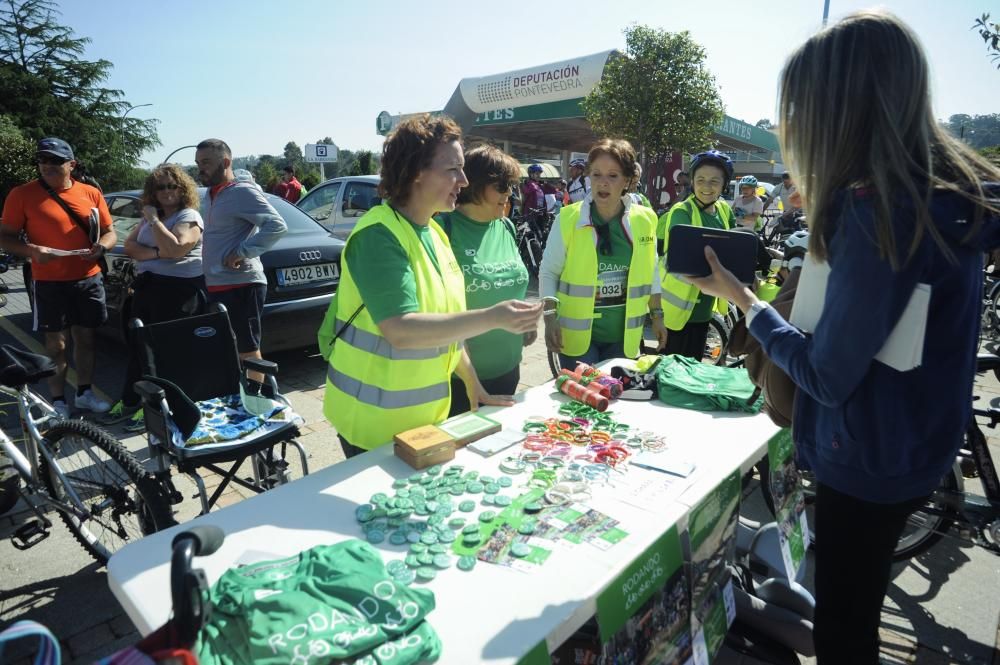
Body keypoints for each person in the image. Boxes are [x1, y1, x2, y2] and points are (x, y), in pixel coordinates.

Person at [683, 11, 1000, 664]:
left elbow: (826, 373)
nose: (791, 125)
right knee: (853, 609)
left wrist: (746, 301)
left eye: (799, 106)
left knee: (845, 631)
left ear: (840, 108)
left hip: (864, 459)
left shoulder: (879, 210)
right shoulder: (948, 199)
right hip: (912, 448)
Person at [322, 115, 542, 458]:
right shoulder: (378, 236)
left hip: (425, 421)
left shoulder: (434, 232)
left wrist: (473, 384)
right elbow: (401, 330)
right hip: (373, 425)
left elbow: (446, 324)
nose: (464, 180)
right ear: (415, 172)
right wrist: (494, 317)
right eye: (453, 169)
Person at [0, 137, 116, 417]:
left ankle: (85, 393)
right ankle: (58, 402)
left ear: (71, 164)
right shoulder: (22, 194)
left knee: (86, 339)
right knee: (56, 345)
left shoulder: (90, 193)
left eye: (55, 161)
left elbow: (109, 232)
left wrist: (102, 247)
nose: (47, 166)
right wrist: (32, 251)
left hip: (88, 277)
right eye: (42, 160)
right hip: (49, 281)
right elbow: (4, 238)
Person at [539, 139, 667, 370]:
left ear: (627, 180)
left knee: (617, 401)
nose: (603, 183)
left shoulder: (646, 219)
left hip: (624, 337)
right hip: (577, 338)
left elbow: (652, 270)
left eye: (613, 176)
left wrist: (657, 315)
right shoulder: (568, 218)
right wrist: (549, 318)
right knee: (586, 399)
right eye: (596, 175)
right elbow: (549, 271)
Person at [101, 164, 206, 428]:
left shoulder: (189, 216)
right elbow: (131, 248)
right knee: (140, 348)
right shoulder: (151, 216)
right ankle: (132, 400)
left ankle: (161, 409)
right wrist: (158, 253)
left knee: (167, 352)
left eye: (172, 185)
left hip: (179, 291)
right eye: (161, 187)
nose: (167, 191)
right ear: (153, 191)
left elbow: (176, 248)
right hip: (149, 287)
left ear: (182, 188)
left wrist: (155, 223)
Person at [435, 145, 531, 415]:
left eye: (511, 185)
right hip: (460, 380)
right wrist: (468, 378)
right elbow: (437, 310)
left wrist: (526, 323)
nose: (509, 193)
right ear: (475, 184)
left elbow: (513, 284)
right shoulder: (443, 229)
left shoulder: (506, 227)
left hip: (509, 368)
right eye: (502, 185)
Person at [195, 139, 287, 378]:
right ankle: (244, 401)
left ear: (225, 162)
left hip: (242, 284)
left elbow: (277, 226)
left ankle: (261, 403)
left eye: (206, 162)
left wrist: (242, 251)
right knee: (231, 350)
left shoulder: (241, 191)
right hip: (217, 284)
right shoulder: (210, 195)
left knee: (248, 351)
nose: (200, 168)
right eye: (197, 163)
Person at [657, 150, 735, 359]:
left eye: (714, 181)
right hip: (677, 310)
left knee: (694, 369)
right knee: (672, 372)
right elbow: (683, 256)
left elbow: (735, 246)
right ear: (692, 181)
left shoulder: (725, 211)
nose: (707, 187)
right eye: (700, 180)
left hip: (705, 309)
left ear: (724, 185)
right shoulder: (682, 212)